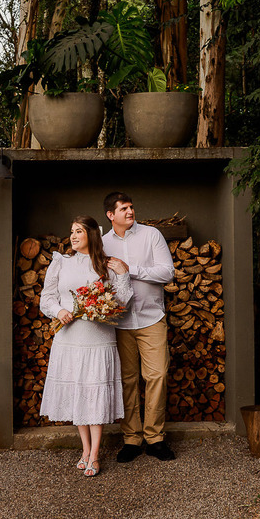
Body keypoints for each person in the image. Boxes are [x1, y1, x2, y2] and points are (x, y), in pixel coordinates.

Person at [39, 215, 133, 477]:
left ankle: (94, 455)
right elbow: (47, 298)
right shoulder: (61, 263)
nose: (73, 236)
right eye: (71, 231)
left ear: (92, 234)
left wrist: (123, 275)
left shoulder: (105, 265)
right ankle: (84, 449)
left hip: (98, 340)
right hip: (69, 339)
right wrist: (58, 311)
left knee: (94, 394)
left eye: (79, 231)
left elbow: (122, 303)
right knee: (79, 395)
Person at [101, 192, 177, 462]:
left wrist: (129, 269)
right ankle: (132, 439)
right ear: (111, 215)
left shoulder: (151, 236)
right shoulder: (102, 243)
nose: (130, 212)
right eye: (123, 208)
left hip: (151, 319)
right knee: (127, 381)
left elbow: (167, 273)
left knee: (157, 376)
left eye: (131, 207)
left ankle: (155, 438)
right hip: (119, 323)